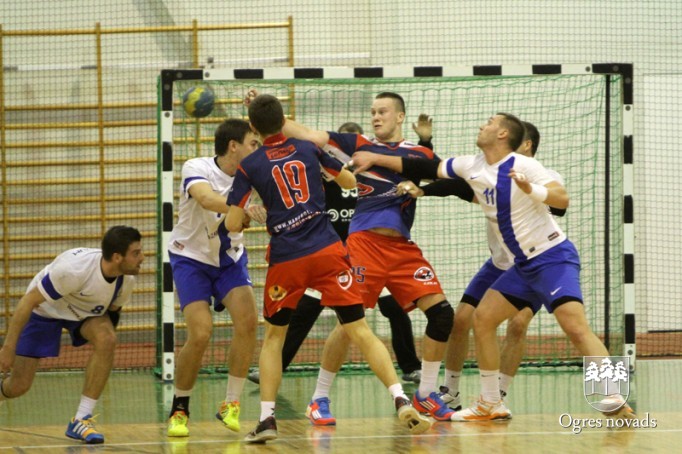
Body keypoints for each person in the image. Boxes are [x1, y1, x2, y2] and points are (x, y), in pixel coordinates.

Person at [349, 112, 635, 422]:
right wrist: (375, 157)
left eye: (489, 122)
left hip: (552, 256)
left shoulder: (524, 165)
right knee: (482, 319)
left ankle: (614, 395)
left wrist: (530, 189)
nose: (481, 124)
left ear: (503, 134)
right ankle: (490, 402)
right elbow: (426, 168)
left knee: (576, 328)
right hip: (522, 265)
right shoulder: (472, 165)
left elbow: (562, 200)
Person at [226, 93, 430, 443]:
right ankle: (400, 398)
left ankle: (267, 419)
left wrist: (248, 215)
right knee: (359, 329)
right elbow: (349, 183)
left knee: (274, 338)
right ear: (283, 119)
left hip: (287, 259)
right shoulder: (307, 149)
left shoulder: (250, 165)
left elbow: (231, 223)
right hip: (328, 251)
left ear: (252, 127)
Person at [282, 92, 456, 422]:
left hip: (402, 249)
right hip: (364, 244)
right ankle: (319, 398)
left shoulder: (418, 152)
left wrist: (422, 147)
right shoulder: (358, 144)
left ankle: (425, 395)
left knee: (443, 316)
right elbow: (308, 134)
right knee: (349, 323)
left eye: (383, 111)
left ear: (400, 116)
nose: (376, 116)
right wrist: (268, 115)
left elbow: (442, 175)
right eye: (373, 112)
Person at [247, 118, 430, 390]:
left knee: (393, 307)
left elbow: (418, 168)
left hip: (365, 256)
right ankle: (275, 367)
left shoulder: (372, 180)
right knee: (304, 311)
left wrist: (425, 142)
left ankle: (411, 367)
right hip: (329, 255)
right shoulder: (327, 177)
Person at [404, 121, 567, 411]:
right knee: (462, 319)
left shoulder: (544, 175)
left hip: (535, 263)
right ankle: (451, 391)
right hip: (499, 263)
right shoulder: (489, 173)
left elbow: (560, 206)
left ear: (525, 144)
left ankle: (498, 396)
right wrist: (424, 190)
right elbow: (457, 185)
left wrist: (528, 189)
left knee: (524, 325)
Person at [0, 226, 143, 444]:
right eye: (136, 253)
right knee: (18, 386)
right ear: (117, 257)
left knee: (107, 339)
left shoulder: (126, 281)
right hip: (44, 309)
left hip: (82, 314)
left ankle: (81, 419)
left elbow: (112, 313)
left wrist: (103, 349)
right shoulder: (74, 271)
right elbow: (28, 301)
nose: (142, 258)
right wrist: (8, 348)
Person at [166, 118, 262, 437]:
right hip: (191, 258)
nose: (258, 149)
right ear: (233, 146)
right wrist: (244, 208)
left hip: (229, 259)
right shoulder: (197, 167)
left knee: (248, 322)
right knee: (201, 333)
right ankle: (180, 408)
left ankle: (230, 404)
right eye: (253, 144)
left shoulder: (255, 174)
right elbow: (207, 200)